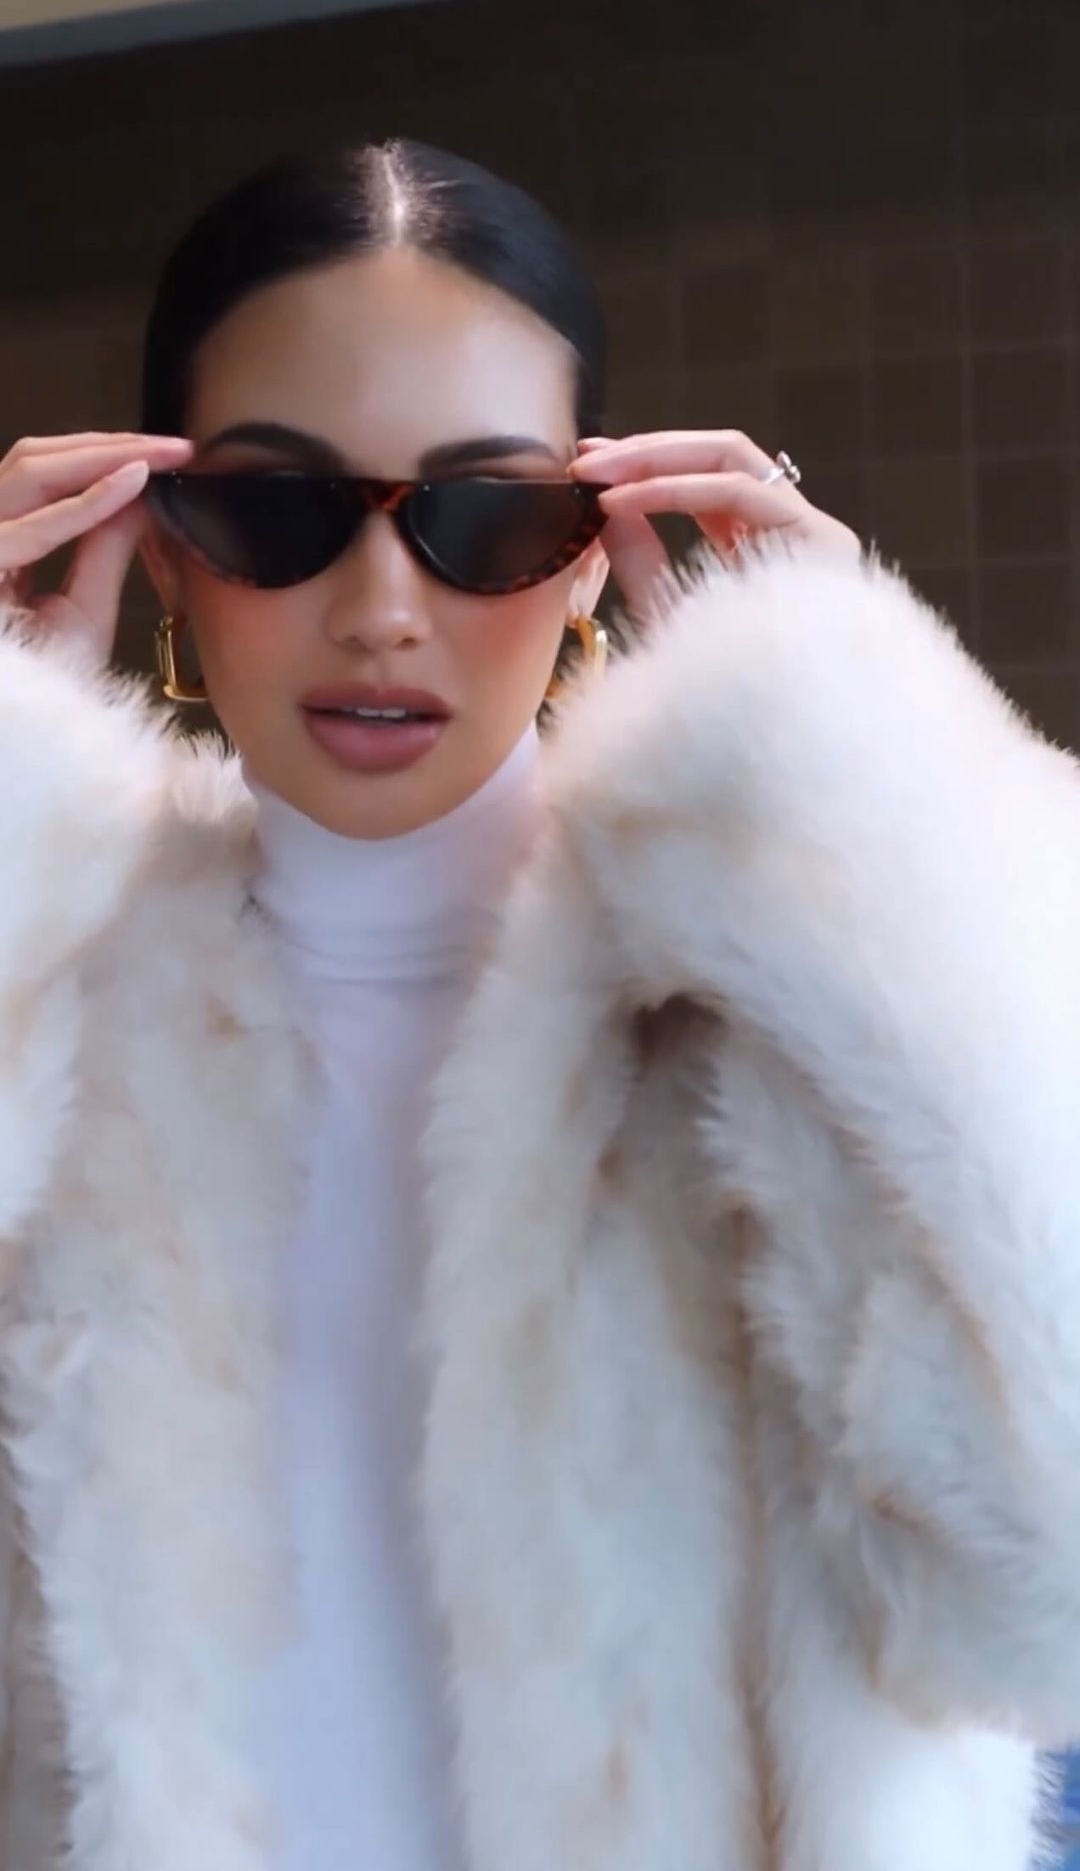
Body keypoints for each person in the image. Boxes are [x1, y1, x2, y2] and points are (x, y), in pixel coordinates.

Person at [0, 140, 1076, 1871]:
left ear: (587, 561)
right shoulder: (48, 1010)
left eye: (488, 520)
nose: (381, 611)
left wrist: (863, 771)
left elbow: (1050, 1596)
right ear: (167, 550)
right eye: (277, 511)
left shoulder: (768, 1002)